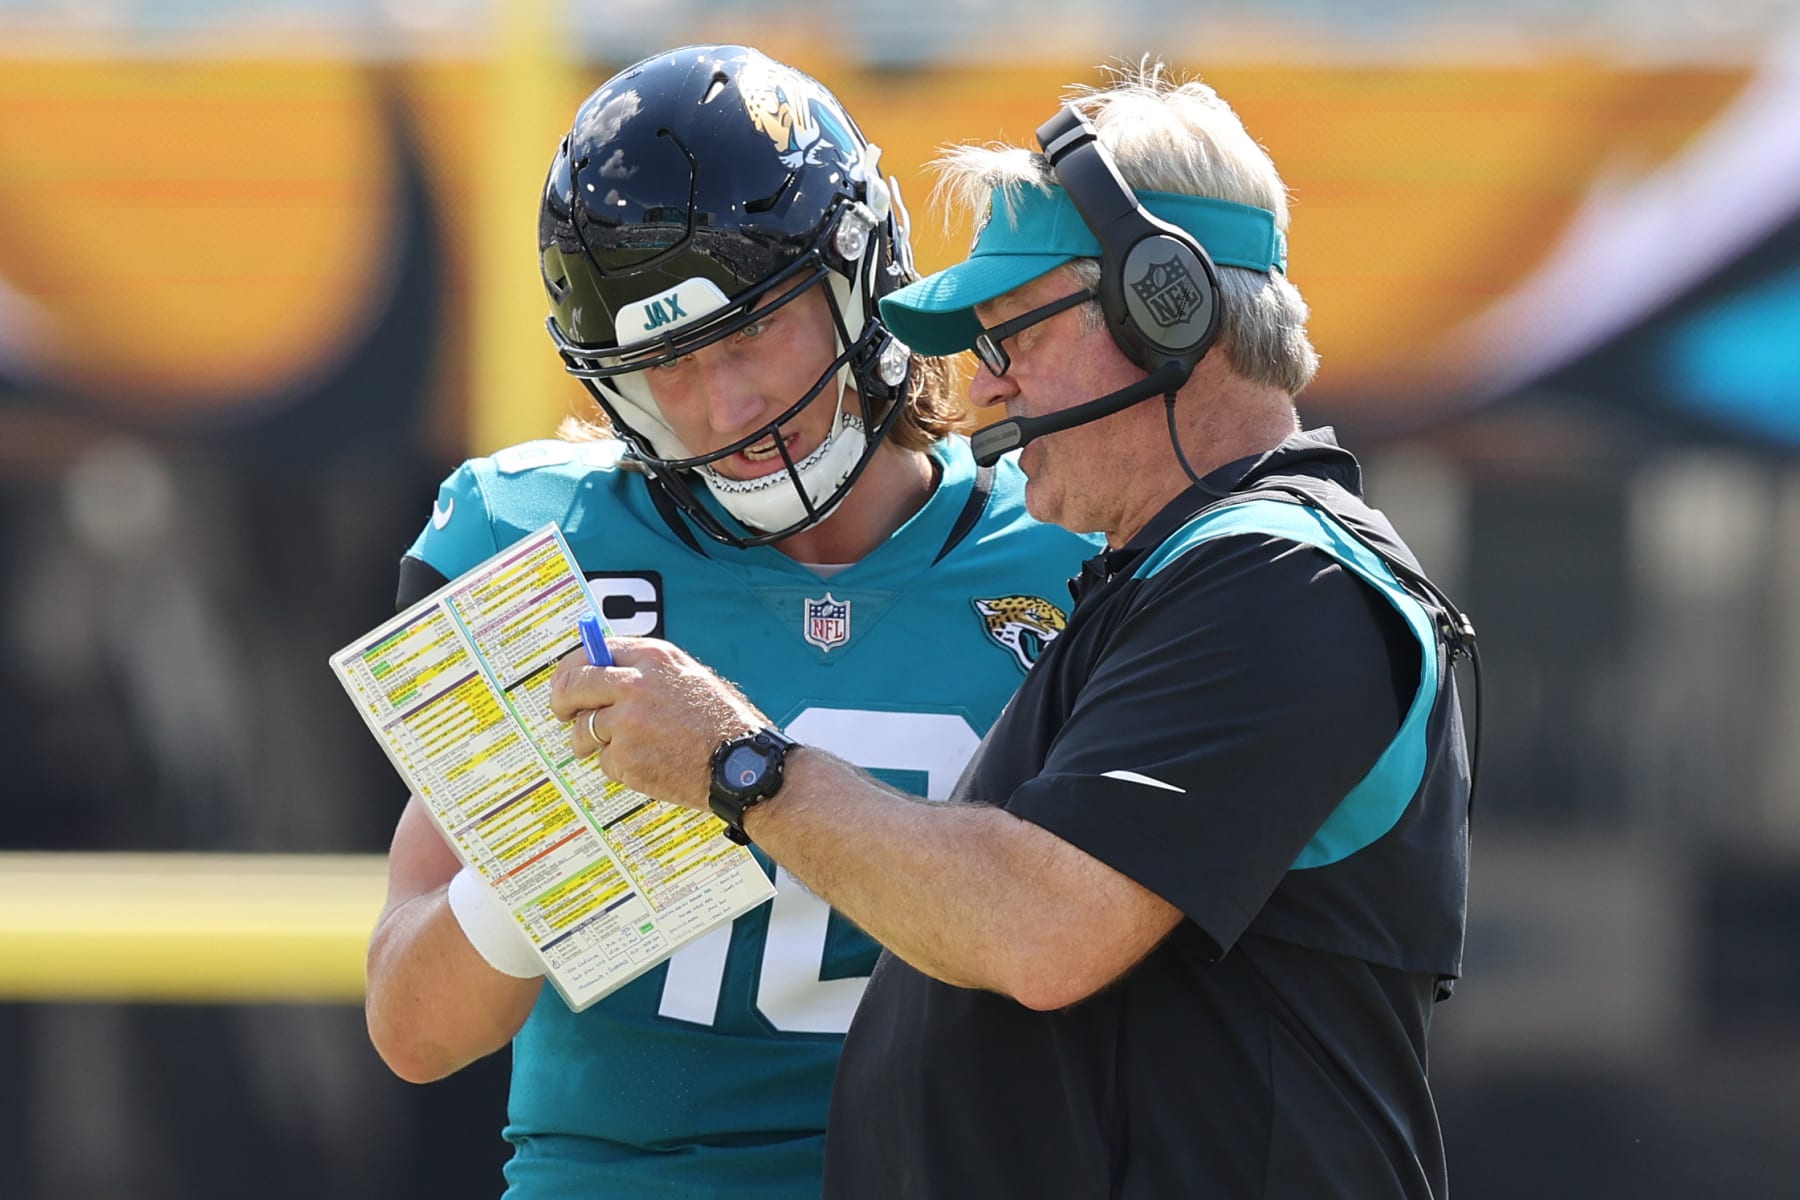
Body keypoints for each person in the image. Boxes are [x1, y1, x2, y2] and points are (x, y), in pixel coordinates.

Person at [551, 60, 1475, 1199]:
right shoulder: (1185, 577)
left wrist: (741, 765)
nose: (980, 390)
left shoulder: (1284, 579)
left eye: (1010, 337)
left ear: (1165, 307)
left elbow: (1044, 927)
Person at [362, 44, 1100, 1199]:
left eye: (751, 331)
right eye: (665, 367)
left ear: (860, 277)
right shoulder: (540, 549)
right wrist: (551, 851)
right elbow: (416, 1028)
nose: (726, 408)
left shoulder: (1068, 546)